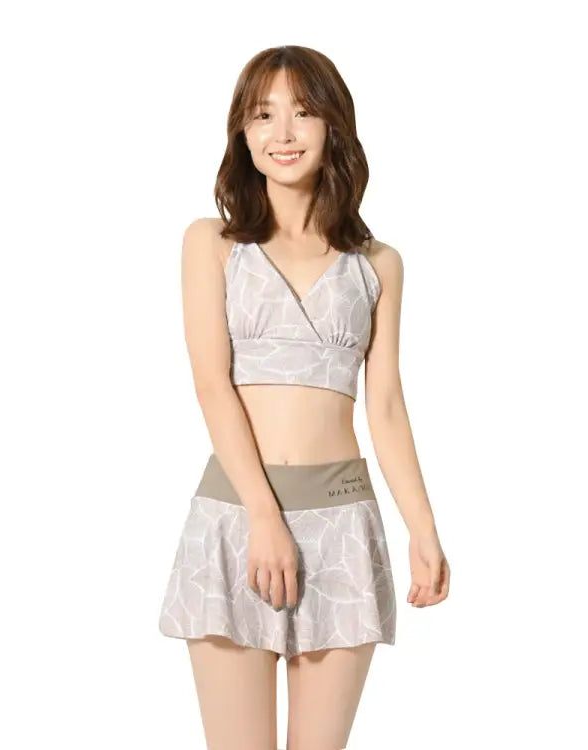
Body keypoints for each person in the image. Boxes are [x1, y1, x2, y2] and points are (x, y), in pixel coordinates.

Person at [157, 45, 450, 750]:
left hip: (343, 524)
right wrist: (264, 516)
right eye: (263, 115)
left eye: (303, 112)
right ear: (242, 132)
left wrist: (423, 527)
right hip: (235, 519)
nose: (283, 133)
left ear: (333, 126)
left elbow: (386, 406)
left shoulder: (378, 264)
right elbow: (211, 386)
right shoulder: (211, 243)